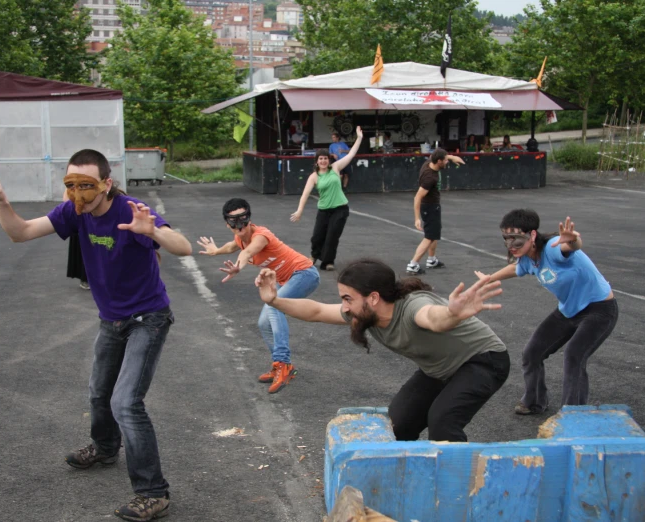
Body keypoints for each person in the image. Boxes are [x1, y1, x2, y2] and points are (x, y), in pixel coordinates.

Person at [0, 150, 192, 521]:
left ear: (106, 184)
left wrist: (152, 231)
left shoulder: (130, 210)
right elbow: (20, 233)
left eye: (86, 186)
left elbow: (182, 247)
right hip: (112, 319)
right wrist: (2, 203)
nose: (77, 194)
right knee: (99, 391)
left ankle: (153, 492)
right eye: (71, 185)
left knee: (125, 402)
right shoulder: (75, 211)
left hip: (148, 318)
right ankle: (105, 447)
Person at [254, 258, 510, 442]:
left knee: (443, 422)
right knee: (396, 426)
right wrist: (274, 300)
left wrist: (452, 314)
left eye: (347, 299)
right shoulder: (365, 314)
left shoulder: (411, 307)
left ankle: (459, 490)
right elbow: (317, 311)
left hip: (483, 361)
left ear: (373, 298)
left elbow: (433, 318)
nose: (344, 306)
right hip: (439, 369)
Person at [476, 209, 618, 415]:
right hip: (569, 311)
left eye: (516, 238)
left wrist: (574, 239)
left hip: (599, 310)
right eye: (506, 239)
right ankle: (534, 401)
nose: (510, 245)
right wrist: (489, 278)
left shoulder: (552, 249)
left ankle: (574, 415)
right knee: (532, 353)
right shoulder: (526, 258)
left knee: (574, 355)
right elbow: (515, 269)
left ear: (532, 235)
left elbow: (571, 246)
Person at [197, 198, 320, 394]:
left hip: (303, 274)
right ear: (227, 223)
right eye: (233, 222)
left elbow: (248, 253)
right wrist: (215, 251)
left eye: (242, 220)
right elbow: (231, 246)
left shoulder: (261, 235)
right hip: (282, 281)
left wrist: (238, 266)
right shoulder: (239, 238)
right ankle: (280, 365)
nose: (239, 226)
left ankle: (283, 363)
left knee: (274, 306)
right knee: (264, 323)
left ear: (249, 219)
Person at [291, 126, 364, 271]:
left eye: (325, 158)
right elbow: (305, 195)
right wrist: (299, 211)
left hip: (340, 209)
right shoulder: (314, 176)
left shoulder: (336, 168)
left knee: (332, 237)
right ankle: (314, 255)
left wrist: (359, 138)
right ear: (317, 161)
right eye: (321, 159)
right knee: (317, 236)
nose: (323, 161)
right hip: (324, 210)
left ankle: (328, 262)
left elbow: (351, 155)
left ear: (328, 160)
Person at [406, 148, 465, 275]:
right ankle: (413, 264)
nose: (447, 162)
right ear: (439, 161)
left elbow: (441, 156)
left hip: (433, 206)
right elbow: (417, 197)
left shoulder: (429, 162)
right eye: (445, 160)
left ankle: (431, 260)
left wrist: (452, 157)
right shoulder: (430, 177)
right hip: (429, 207)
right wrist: (417, 218)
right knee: (429, 237)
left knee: (435, 233)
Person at [63, 188, 89, 290]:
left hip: (92, 218)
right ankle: (85, 279)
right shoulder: (72, 186)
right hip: (80, 219)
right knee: (83, 249)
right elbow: (66, 202)